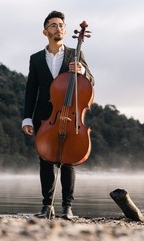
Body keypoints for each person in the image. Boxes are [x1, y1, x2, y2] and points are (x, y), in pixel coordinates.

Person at [22, 10, 95, 219]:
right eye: (53, 25)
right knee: (45, 160)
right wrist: (27, 117)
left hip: (71, 116)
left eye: (61, 25)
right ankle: (46, 206)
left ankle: (67, 207)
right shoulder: (36, 59)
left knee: (68, 161)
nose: (59, 28)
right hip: (46, 116)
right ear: (45, 31)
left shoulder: (75, 54)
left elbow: (91, 80)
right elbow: (31, 90)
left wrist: (81, 71)